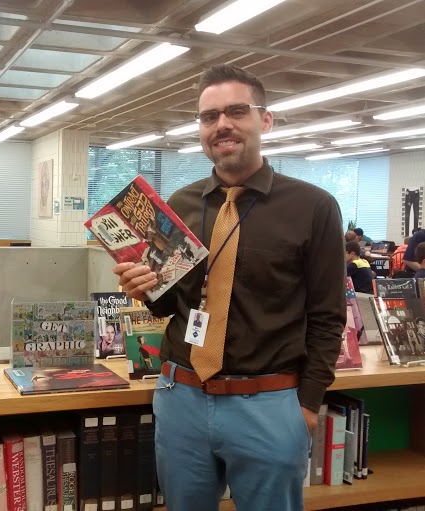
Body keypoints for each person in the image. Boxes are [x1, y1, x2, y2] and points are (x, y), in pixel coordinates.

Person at [113, 64, 345, 511]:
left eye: (237, 111)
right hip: (180, 397)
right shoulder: (177, 206)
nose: (222, 124)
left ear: (265, 120)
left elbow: (327, 315)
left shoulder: (313, 207)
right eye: (209, 116)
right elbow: (171, 308)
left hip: (269, 403)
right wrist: (144, 289)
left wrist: (308, 408)